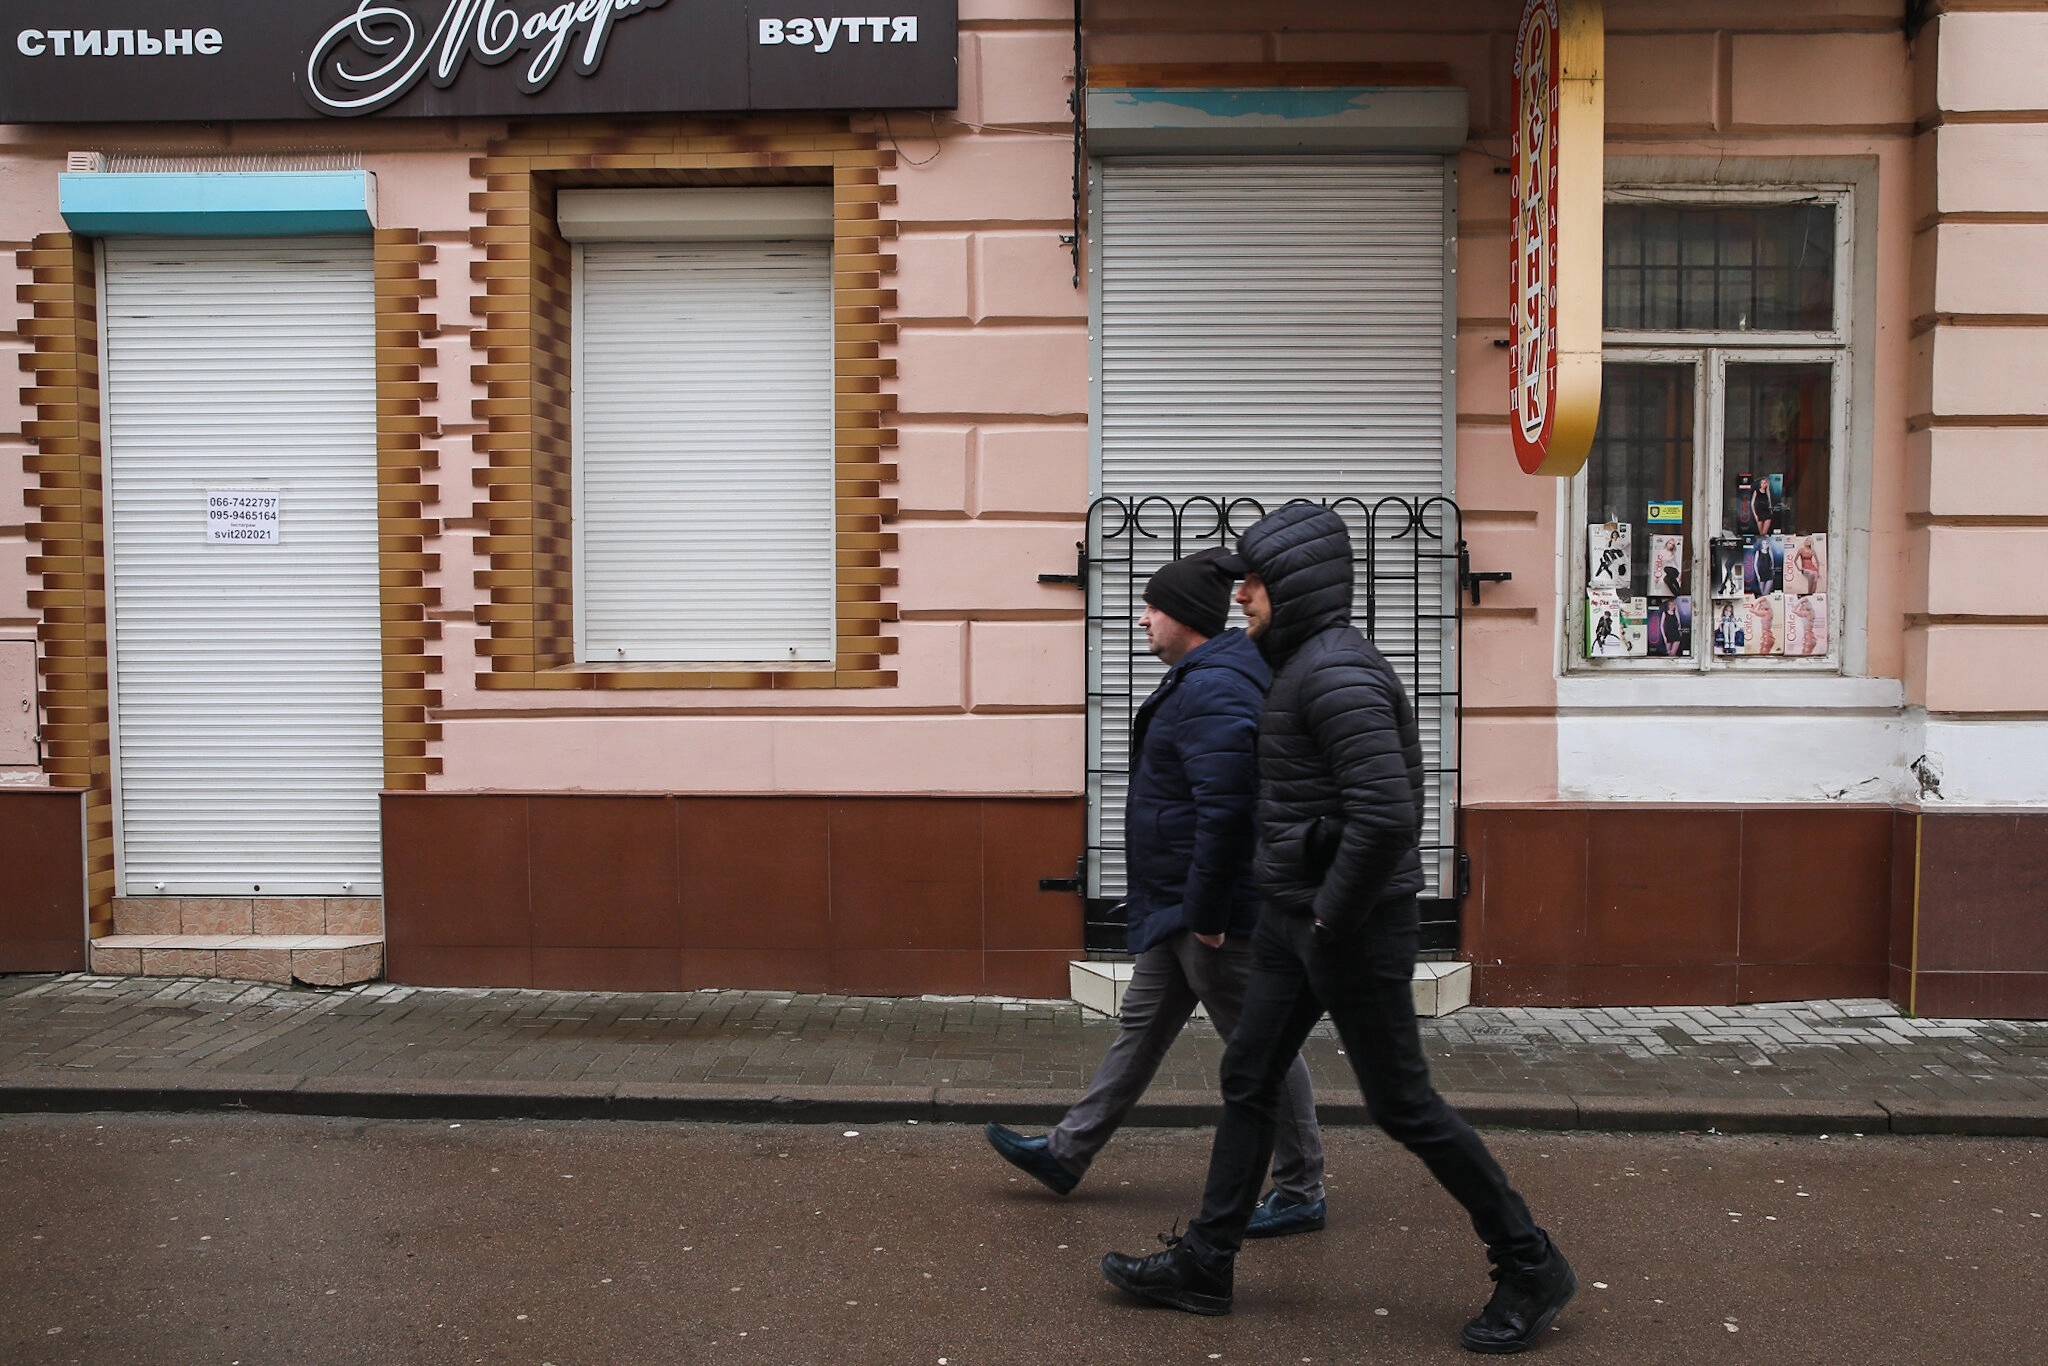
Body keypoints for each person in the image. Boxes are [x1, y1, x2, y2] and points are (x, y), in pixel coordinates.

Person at [1098, 504, 1575, 1355]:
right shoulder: (1296, 664)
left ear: (1294, 586)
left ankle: (1531, 1263)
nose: (1238, 593)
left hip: (1345, 924)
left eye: (1252, 579)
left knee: (1405, 1107)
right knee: (1248, 1079)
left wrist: (1328, 912)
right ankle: (1207, 1264)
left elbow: (1389, 815)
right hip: (1295, 918)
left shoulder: (1337, 673)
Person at [985, 547, 1328, 1238]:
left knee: (1261, 1050)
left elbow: (1228, 808)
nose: (1143, 621)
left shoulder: (1216, 687)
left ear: (1188, 618)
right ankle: (1066, 1151)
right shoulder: (1208, 678)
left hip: (1209, 914)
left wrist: (1205, 914)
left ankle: (1300, 1188)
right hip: (1181, 904)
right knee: (1141, 1028)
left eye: (1154, 608)